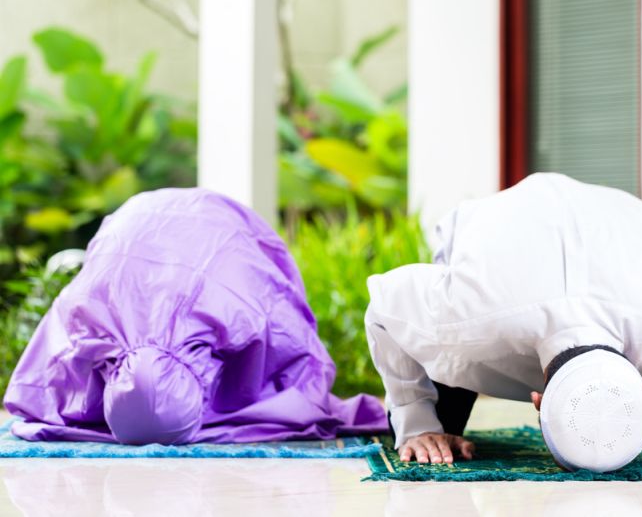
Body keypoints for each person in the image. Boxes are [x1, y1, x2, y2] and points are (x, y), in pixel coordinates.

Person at [365, 173, 642, 471]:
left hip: (623, 224)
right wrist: (416, 422)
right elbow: (383, 310)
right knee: (437, 419)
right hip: (499, 232)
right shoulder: (466, 321)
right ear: (538, 400)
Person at [4, 188, 387, 444]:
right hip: (141, 232)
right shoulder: (86, 310)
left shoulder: (239, 307)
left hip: (216, 231)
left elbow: (286, 332)